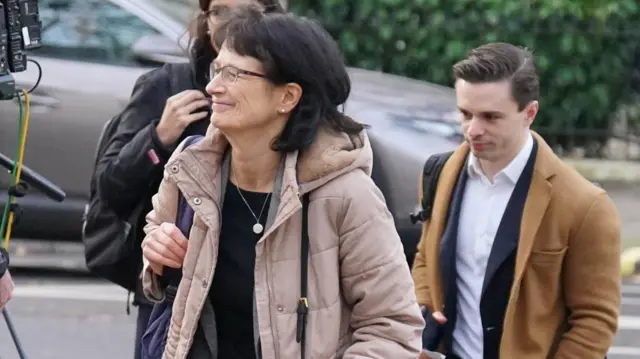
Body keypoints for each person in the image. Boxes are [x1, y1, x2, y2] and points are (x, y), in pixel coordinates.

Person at [140, 6, 425, 359]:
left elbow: (392, 329)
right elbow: (158, 250)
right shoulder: (192, 167)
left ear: (288, 96)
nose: (213, 86)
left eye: (234, 74)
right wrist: (156, 256)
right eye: (217, 69)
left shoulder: (347, 195)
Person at [94, 1, 284, 358]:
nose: (235, 24)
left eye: (248, 11)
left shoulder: (288, 88)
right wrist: (158, 137)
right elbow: (111, 188)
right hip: (173, 293)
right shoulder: (168, 85)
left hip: (267, 298)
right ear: (205, 20)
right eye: (221, 11)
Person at [412, 42, 621, 359]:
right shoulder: (439, 175)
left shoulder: (585, 205)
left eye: (491, 117)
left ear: (530, 113)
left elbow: (595, 320)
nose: (473, 130)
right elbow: (425, 257)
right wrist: (424, 311)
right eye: (465, 114)